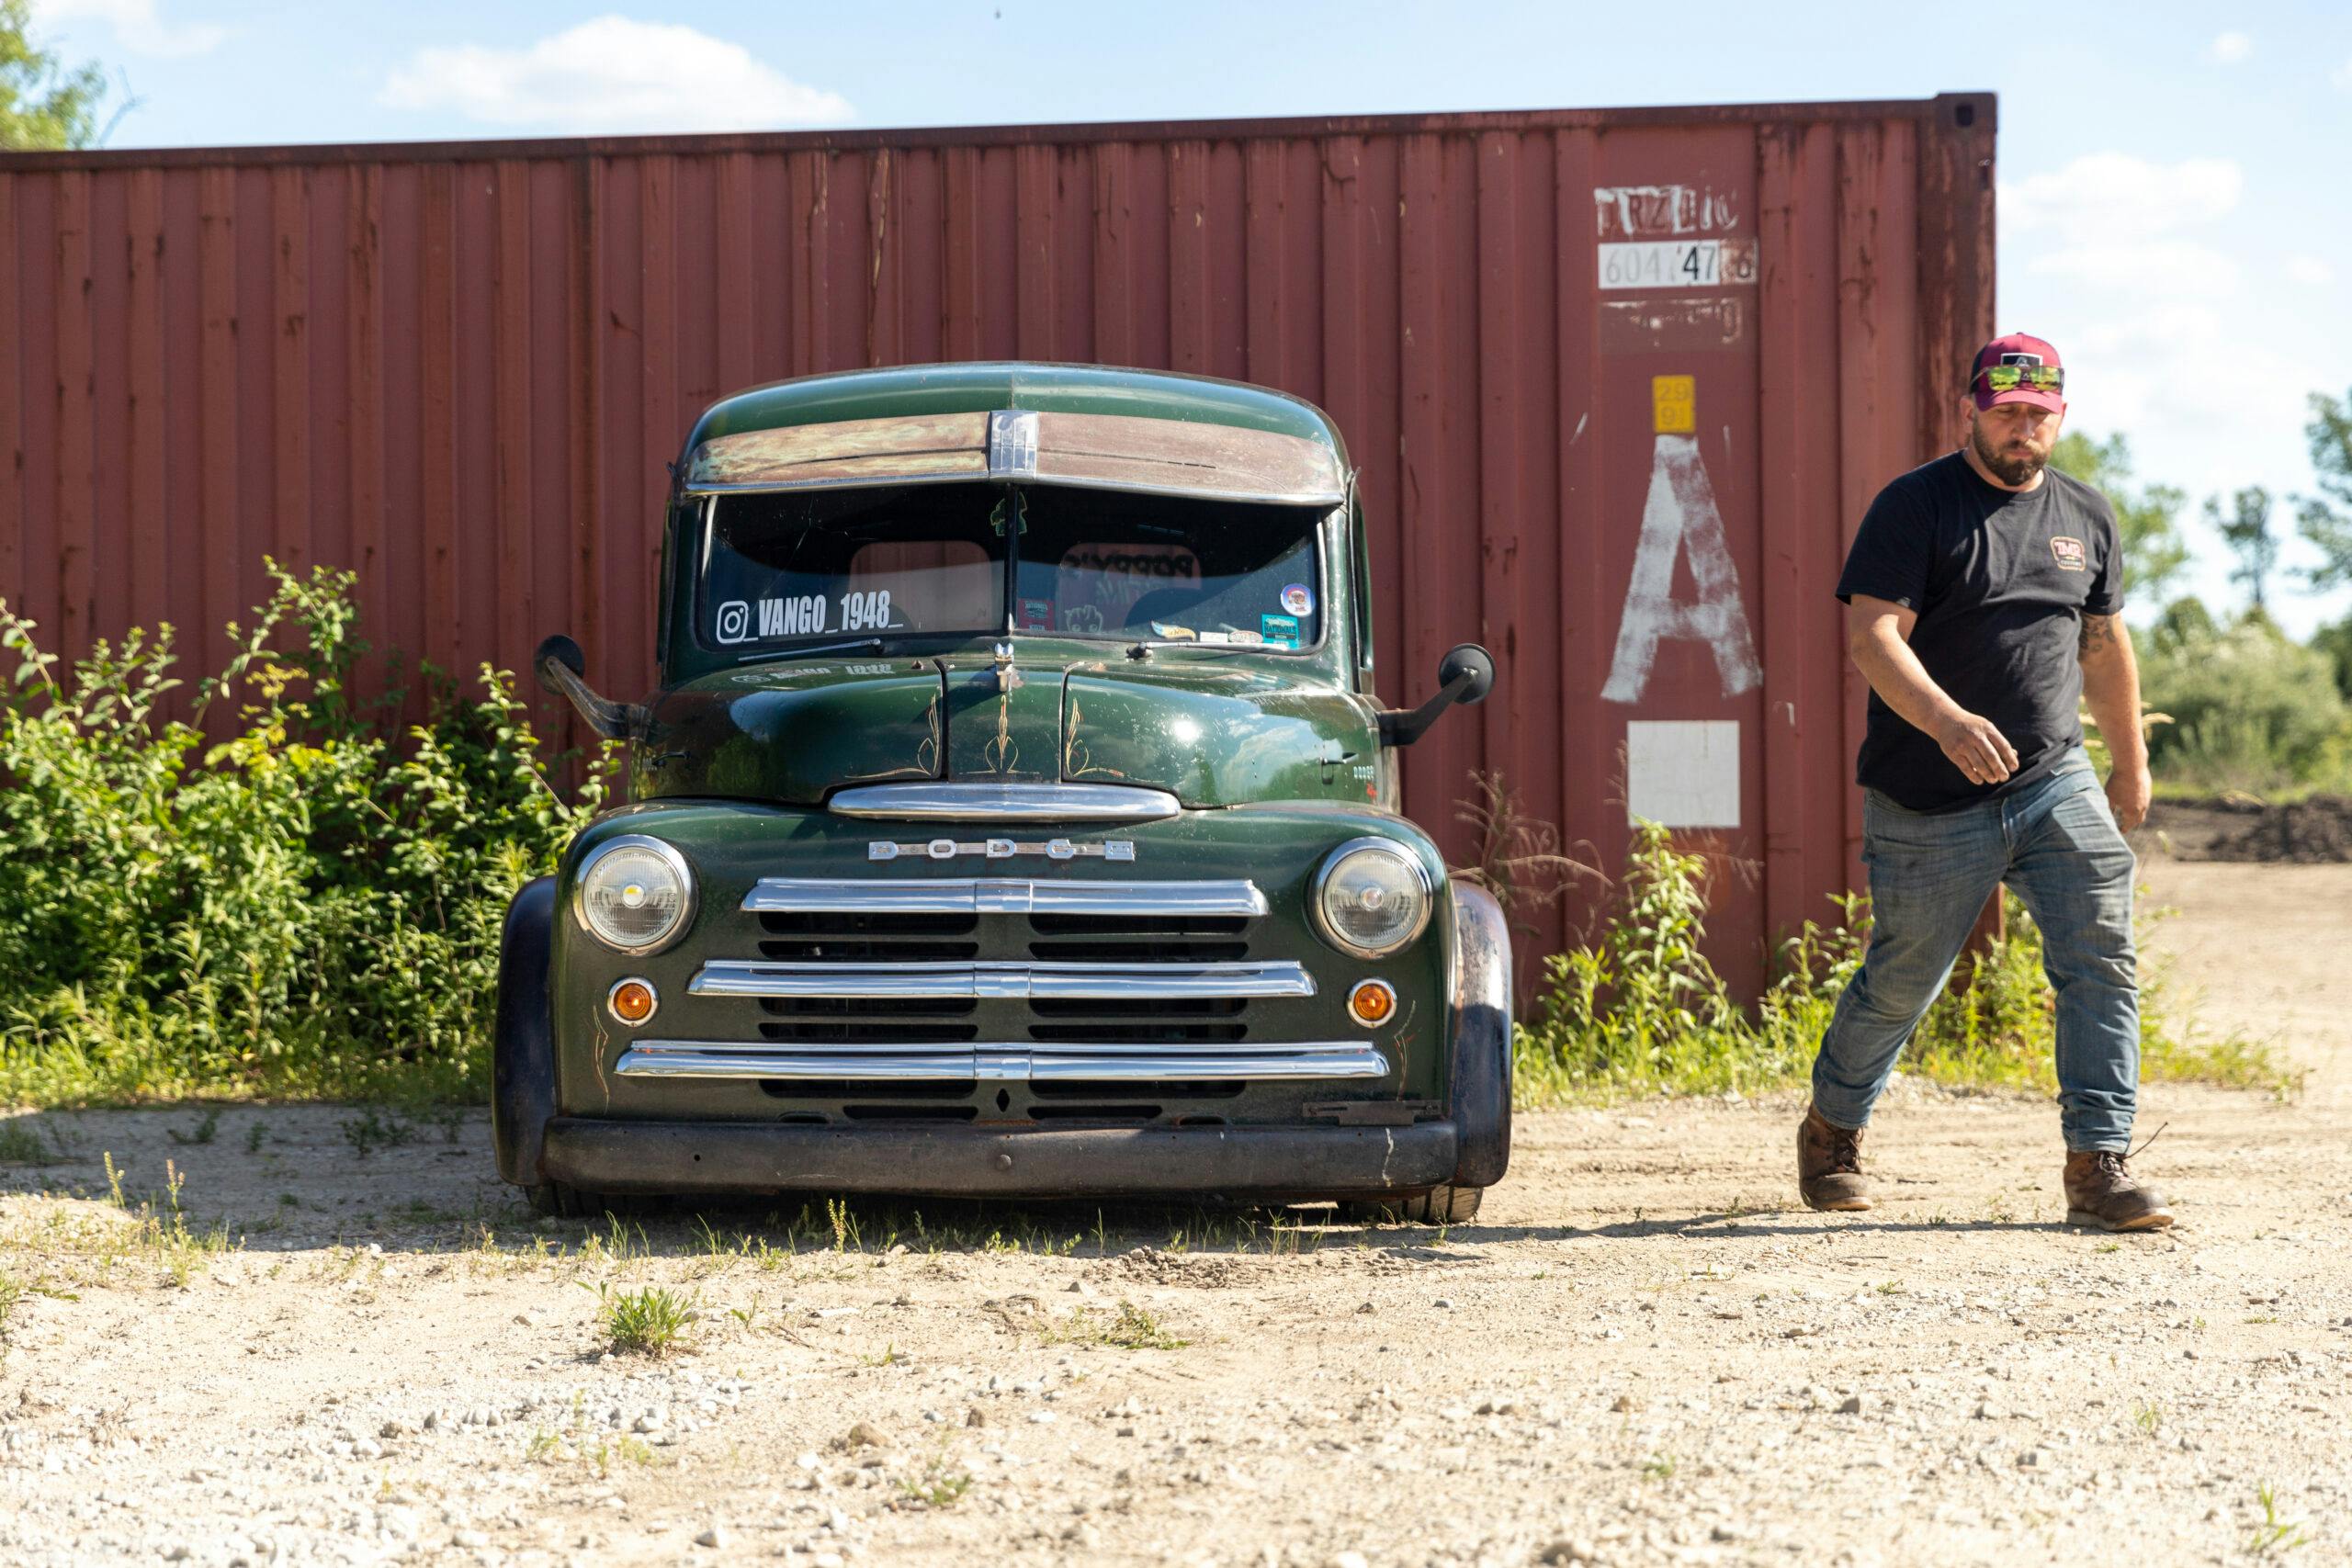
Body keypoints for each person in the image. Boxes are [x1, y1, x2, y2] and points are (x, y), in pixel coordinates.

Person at [1797, 333, 2171, 1232]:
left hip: (2051, 780)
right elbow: (1873, 637)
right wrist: (1948, 722)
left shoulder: (2087, 516)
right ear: (1971, 407)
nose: (2021, 432)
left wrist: (2130, 760)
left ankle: (2098, 1165)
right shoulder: (1915, 507)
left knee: (2100, 956)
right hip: (1927, 794)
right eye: (2005, 413)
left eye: (2037, 416)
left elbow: (2102, 644)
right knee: (1904, 979)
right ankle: (1831, 1132)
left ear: (2059, 418)